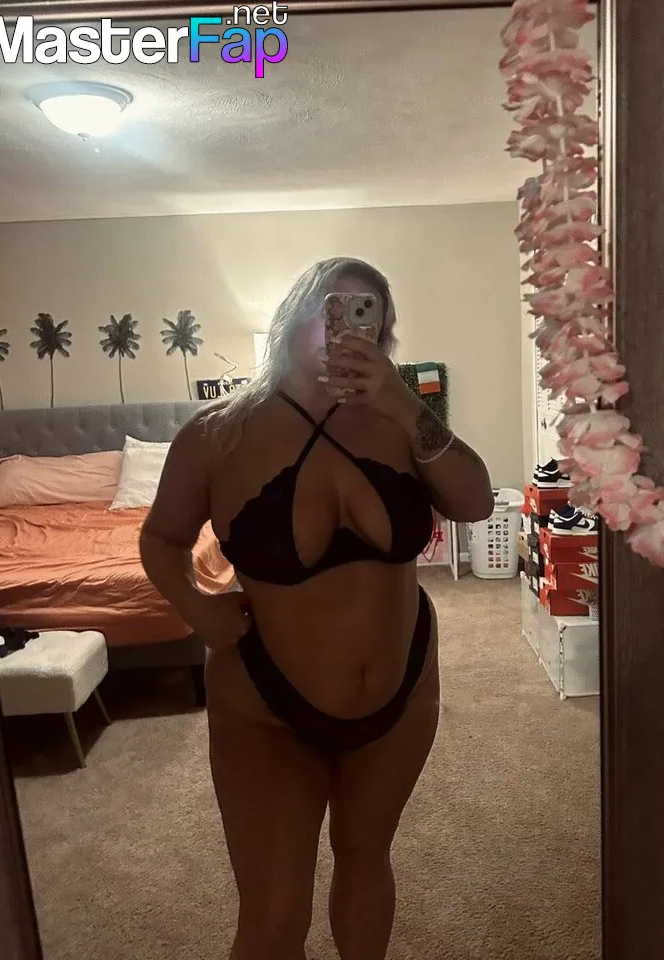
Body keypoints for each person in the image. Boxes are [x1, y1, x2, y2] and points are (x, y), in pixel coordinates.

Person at [139, 257, 494, 960]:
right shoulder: (218, 434)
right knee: (273, 919)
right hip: (265, 704)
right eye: (335, 308)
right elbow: (161, 539)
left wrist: (403, 404)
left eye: (370, 315)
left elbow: (477, 501)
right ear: (295, 315)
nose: (350, 327)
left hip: (401, 691)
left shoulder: (401, 423)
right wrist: (195, 606)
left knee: (366, 857)